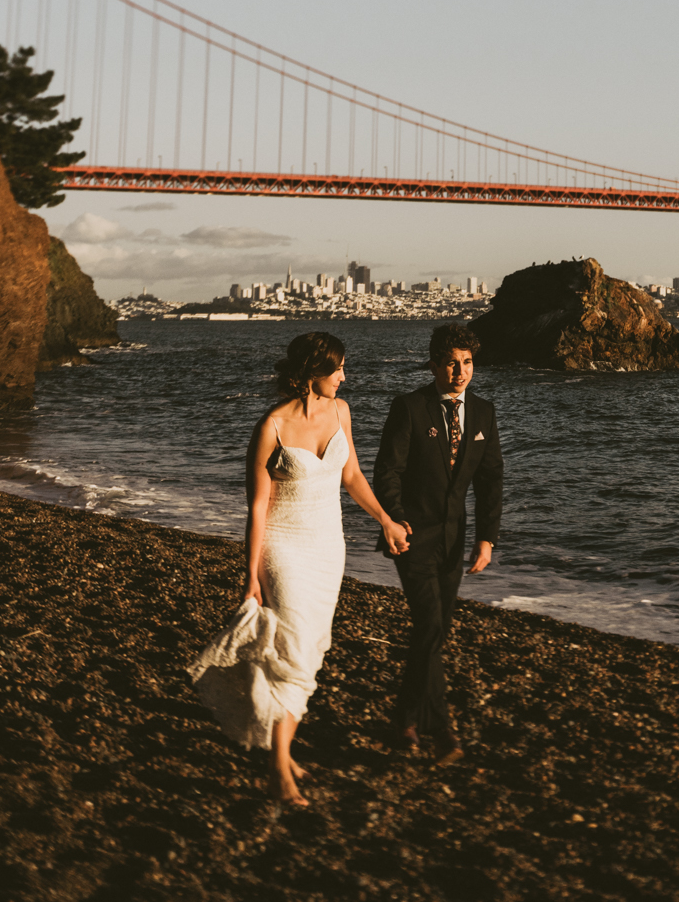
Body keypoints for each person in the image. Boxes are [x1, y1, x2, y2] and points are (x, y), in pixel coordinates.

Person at [191, 331, 409, 807]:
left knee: (310, 648)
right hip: (283, 549)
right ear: (313, 373)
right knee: (293, 652)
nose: (345, 377)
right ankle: (278, 768)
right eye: (338, 370)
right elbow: (257, 508)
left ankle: (281, 750)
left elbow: (351, 475)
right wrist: (250, 575)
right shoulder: (272, 425)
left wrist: (387, 521)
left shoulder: (341, 411)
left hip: (328, 548)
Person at [373, 320, 503, 764]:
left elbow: (490, 481)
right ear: (433, 366)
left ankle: (405, 719)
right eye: (450, 364)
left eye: (467, 363)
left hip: (455, 540)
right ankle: (443, 730)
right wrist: (396, 519)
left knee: (434, 633)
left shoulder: (484, 413)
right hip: (410, 537)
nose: (460, 372)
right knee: (429, 627)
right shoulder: (409, 407)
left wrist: (487, 538)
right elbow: (387, 471)